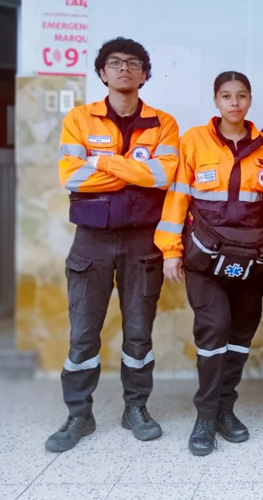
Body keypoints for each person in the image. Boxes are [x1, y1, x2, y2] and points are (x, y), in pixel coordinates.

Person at [47, 37, 179, 452]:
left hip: (144, 240)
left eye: (133, 63)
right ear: (102, 72)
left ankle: (135, 408)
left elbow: (161, 177)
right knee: (84, 334)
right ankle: (78, 415)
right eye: (115, 63)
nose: (124, 69)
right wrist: (133, 171)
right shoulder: (79, 119)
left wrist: (100, 161)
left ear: (145, 74)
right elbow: (71, 178)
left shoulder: (165, 123)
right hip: (92, 241)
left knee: (139, 333)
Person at [155, 71, 263, 456]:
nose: (235, 103)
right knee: (214, 329)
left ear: (250, 99)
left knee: (241, 332)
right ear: (216, 100)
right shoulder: (193, 141)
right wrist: (170, 250)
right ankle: (205, 417)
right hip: (203, 259)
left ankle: (226, 409)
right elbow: (176, 199)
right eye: (227, 96)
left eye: (242, 96)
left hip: (250, 259)